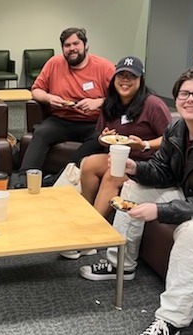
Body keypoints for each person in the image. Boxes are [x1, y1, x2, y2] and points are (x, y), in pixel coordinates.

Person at [81, 67, 193, 335]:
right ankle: (120, 265)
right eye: (184, 93)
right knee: (134, 188)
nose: (190, 99)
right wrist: (135, 168)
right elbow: (164, 172)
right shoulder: (178, 127)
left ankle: (172, 319)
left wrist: (160, 210)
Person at [60, 56, 172, 260]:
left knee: (113, 174)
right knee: (89, 163)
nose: (125, 81)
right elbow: (103, 137)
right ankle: (86, 217)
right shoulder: (111, 103)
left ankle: (90, 234)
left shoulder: (153, 104)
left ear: (141, 79)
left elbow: (170, 139)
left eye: (131, 76)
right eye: (121, 76)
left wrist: (143, 144)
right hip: (119, 156)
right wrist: (103, 138)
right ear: (114, 79)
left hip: (146, 163)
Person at [14, 27, 115, 188]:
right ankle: (24, 179)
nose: (72, 48)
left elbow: (118, 97)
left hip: (93, 122)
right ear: (63, 49)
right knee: (41, 132)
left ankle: (59, 178)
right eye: (67, 45)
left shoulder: (104, 67)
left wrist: (98, 102)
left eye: (76, 43)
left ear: (85, 45)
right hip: (61, 119)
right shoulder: (54, 63)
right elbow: (36, 90)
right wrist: (49, 98)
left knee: (99, 139)